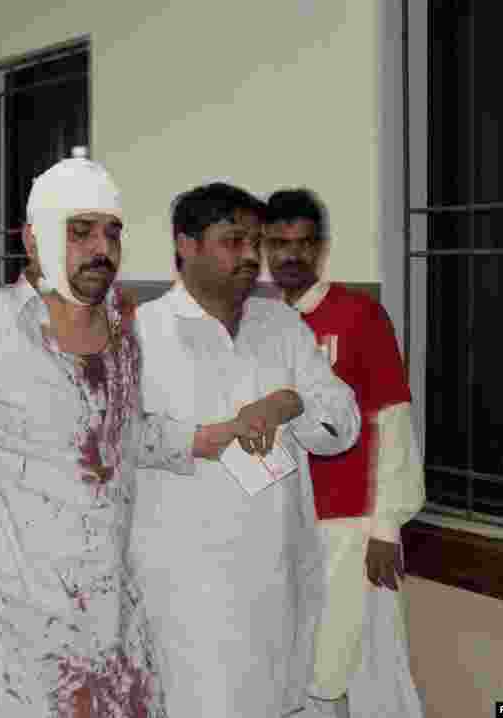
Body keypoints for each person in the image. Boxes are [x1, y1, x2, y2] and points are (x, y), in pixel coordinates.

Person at [0, 150, 202, 718]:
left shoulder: (125, 335)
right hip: (7, 625)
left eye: (112, 233)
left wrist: (223, 433)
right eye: (80, 231)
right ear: (33, 238)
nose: (102, 248)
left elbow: (127, 436)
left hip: (109, 627)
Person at [130, 182, 361, 717]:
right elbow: (108, 438)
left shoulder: (280, 326)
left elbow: (343, 420)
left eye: (254, 241)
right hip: (183, 588)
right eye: (233, 240)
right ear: (185, 244)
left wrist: (289, 403)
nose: (250, 256)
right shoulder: (141, 335)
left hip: (276, 577)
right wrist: (197, 441)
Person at [263, 188, 425, 718]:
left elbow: (392, 421)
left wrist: (386, 528)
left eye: (303, 244)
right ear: (264, 249)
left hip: (352, 524)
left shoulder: (360, 315)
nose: (291, 255)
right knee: (304, 665)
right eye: (279, 243)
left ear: (322, 249)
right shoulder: (262, 325)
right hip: (290, 521)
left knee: (368, 668)